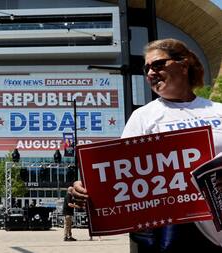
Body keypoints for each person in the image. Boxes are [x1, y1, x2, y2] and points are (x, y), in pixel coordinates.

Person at [72, 38, 222, 252]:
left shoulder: (218, 111)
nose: (151, 72)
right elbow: (122, 173)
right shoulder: (143, 117)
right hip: (169, 233)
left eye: (158, 64)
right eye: (147, 68)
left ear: (184, 64)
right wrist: (87, 189)